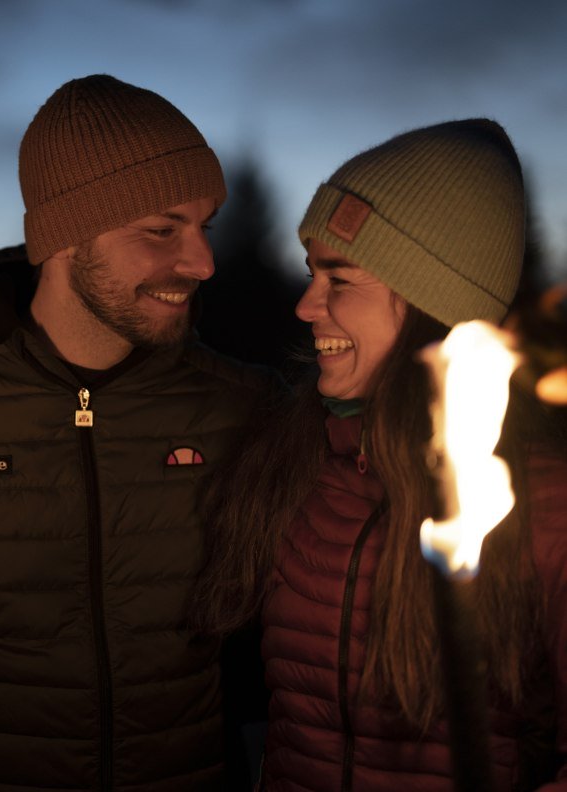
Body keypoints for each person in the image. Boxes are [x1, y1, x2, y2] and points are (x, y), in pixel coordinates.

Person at [194, 119, 567, 790]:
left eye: (340, 279)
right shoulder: (294, 461)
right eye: (311, 274)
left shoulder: (539, 507)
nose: (306, 306)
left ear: (430, 303)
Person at [0, 74, 277, 791]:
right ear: (64, 235)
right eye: (161, 230)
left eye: (203, 226)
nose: (202, 263)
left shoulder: (243, 410)